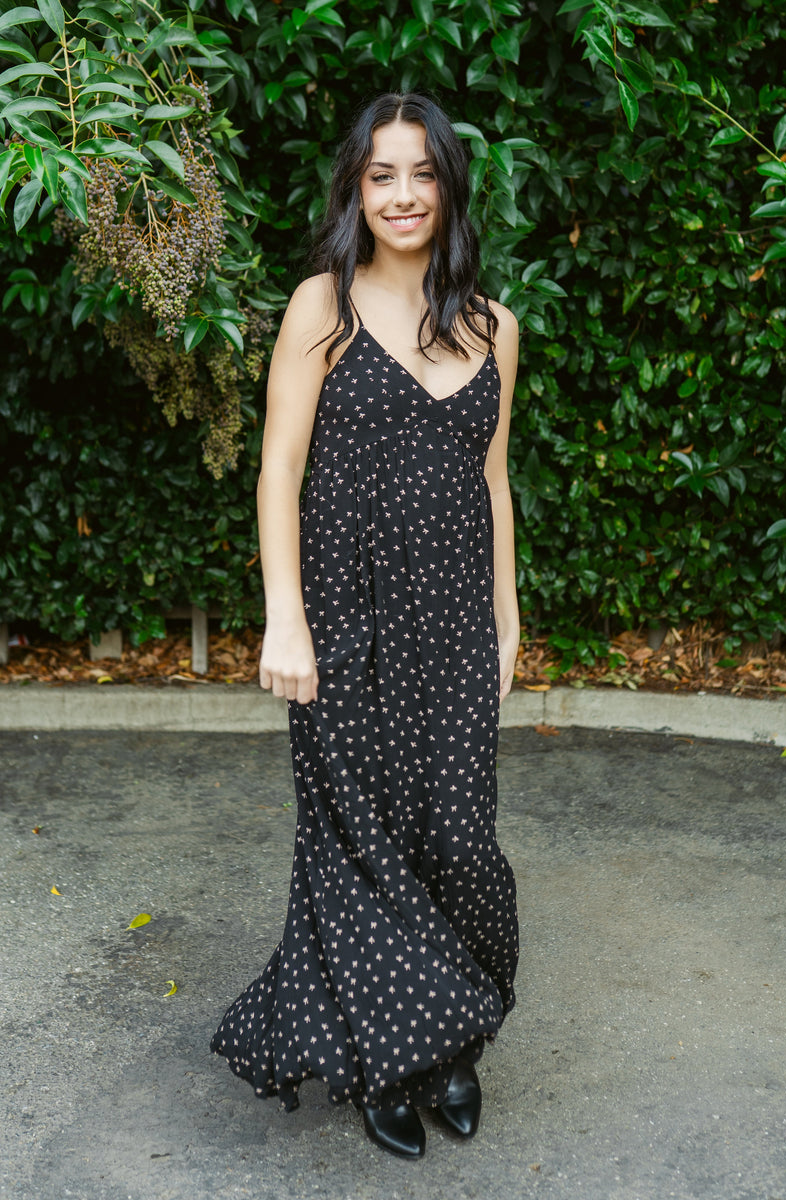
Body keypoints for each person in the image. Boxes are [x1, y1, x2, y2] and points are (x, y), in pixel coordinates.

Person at [211, 92, 520, 1160]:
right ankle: (389, 1054)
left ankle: (451, 1038)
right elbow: (278, 469)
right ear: (354, 188)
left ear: (447, 187)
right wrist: (281, 618)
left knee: (456, 838)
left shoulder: (493, 326)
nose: (401, 194)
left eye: (420, 173)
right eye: (380, 174)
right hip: (342, 622)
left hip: (449, 626)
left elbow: (492, 480)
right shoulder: (320, 308)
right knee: (358, 841)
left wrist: (505, 620)